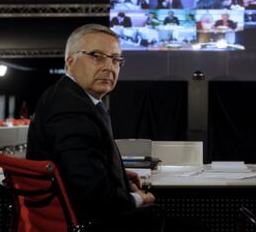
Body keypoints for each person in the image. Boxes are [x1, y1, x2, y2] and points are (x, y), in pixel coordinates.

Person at [26, 24, 159, 231]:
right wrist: (137, 198)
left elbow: (78, 166)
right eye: (97, 56)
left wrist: (119, 176)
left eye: (116, 59)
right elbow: (92, 197)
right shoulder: (71, 108)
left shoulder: (67, 97)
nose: (109, 67)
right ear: (70, 61)